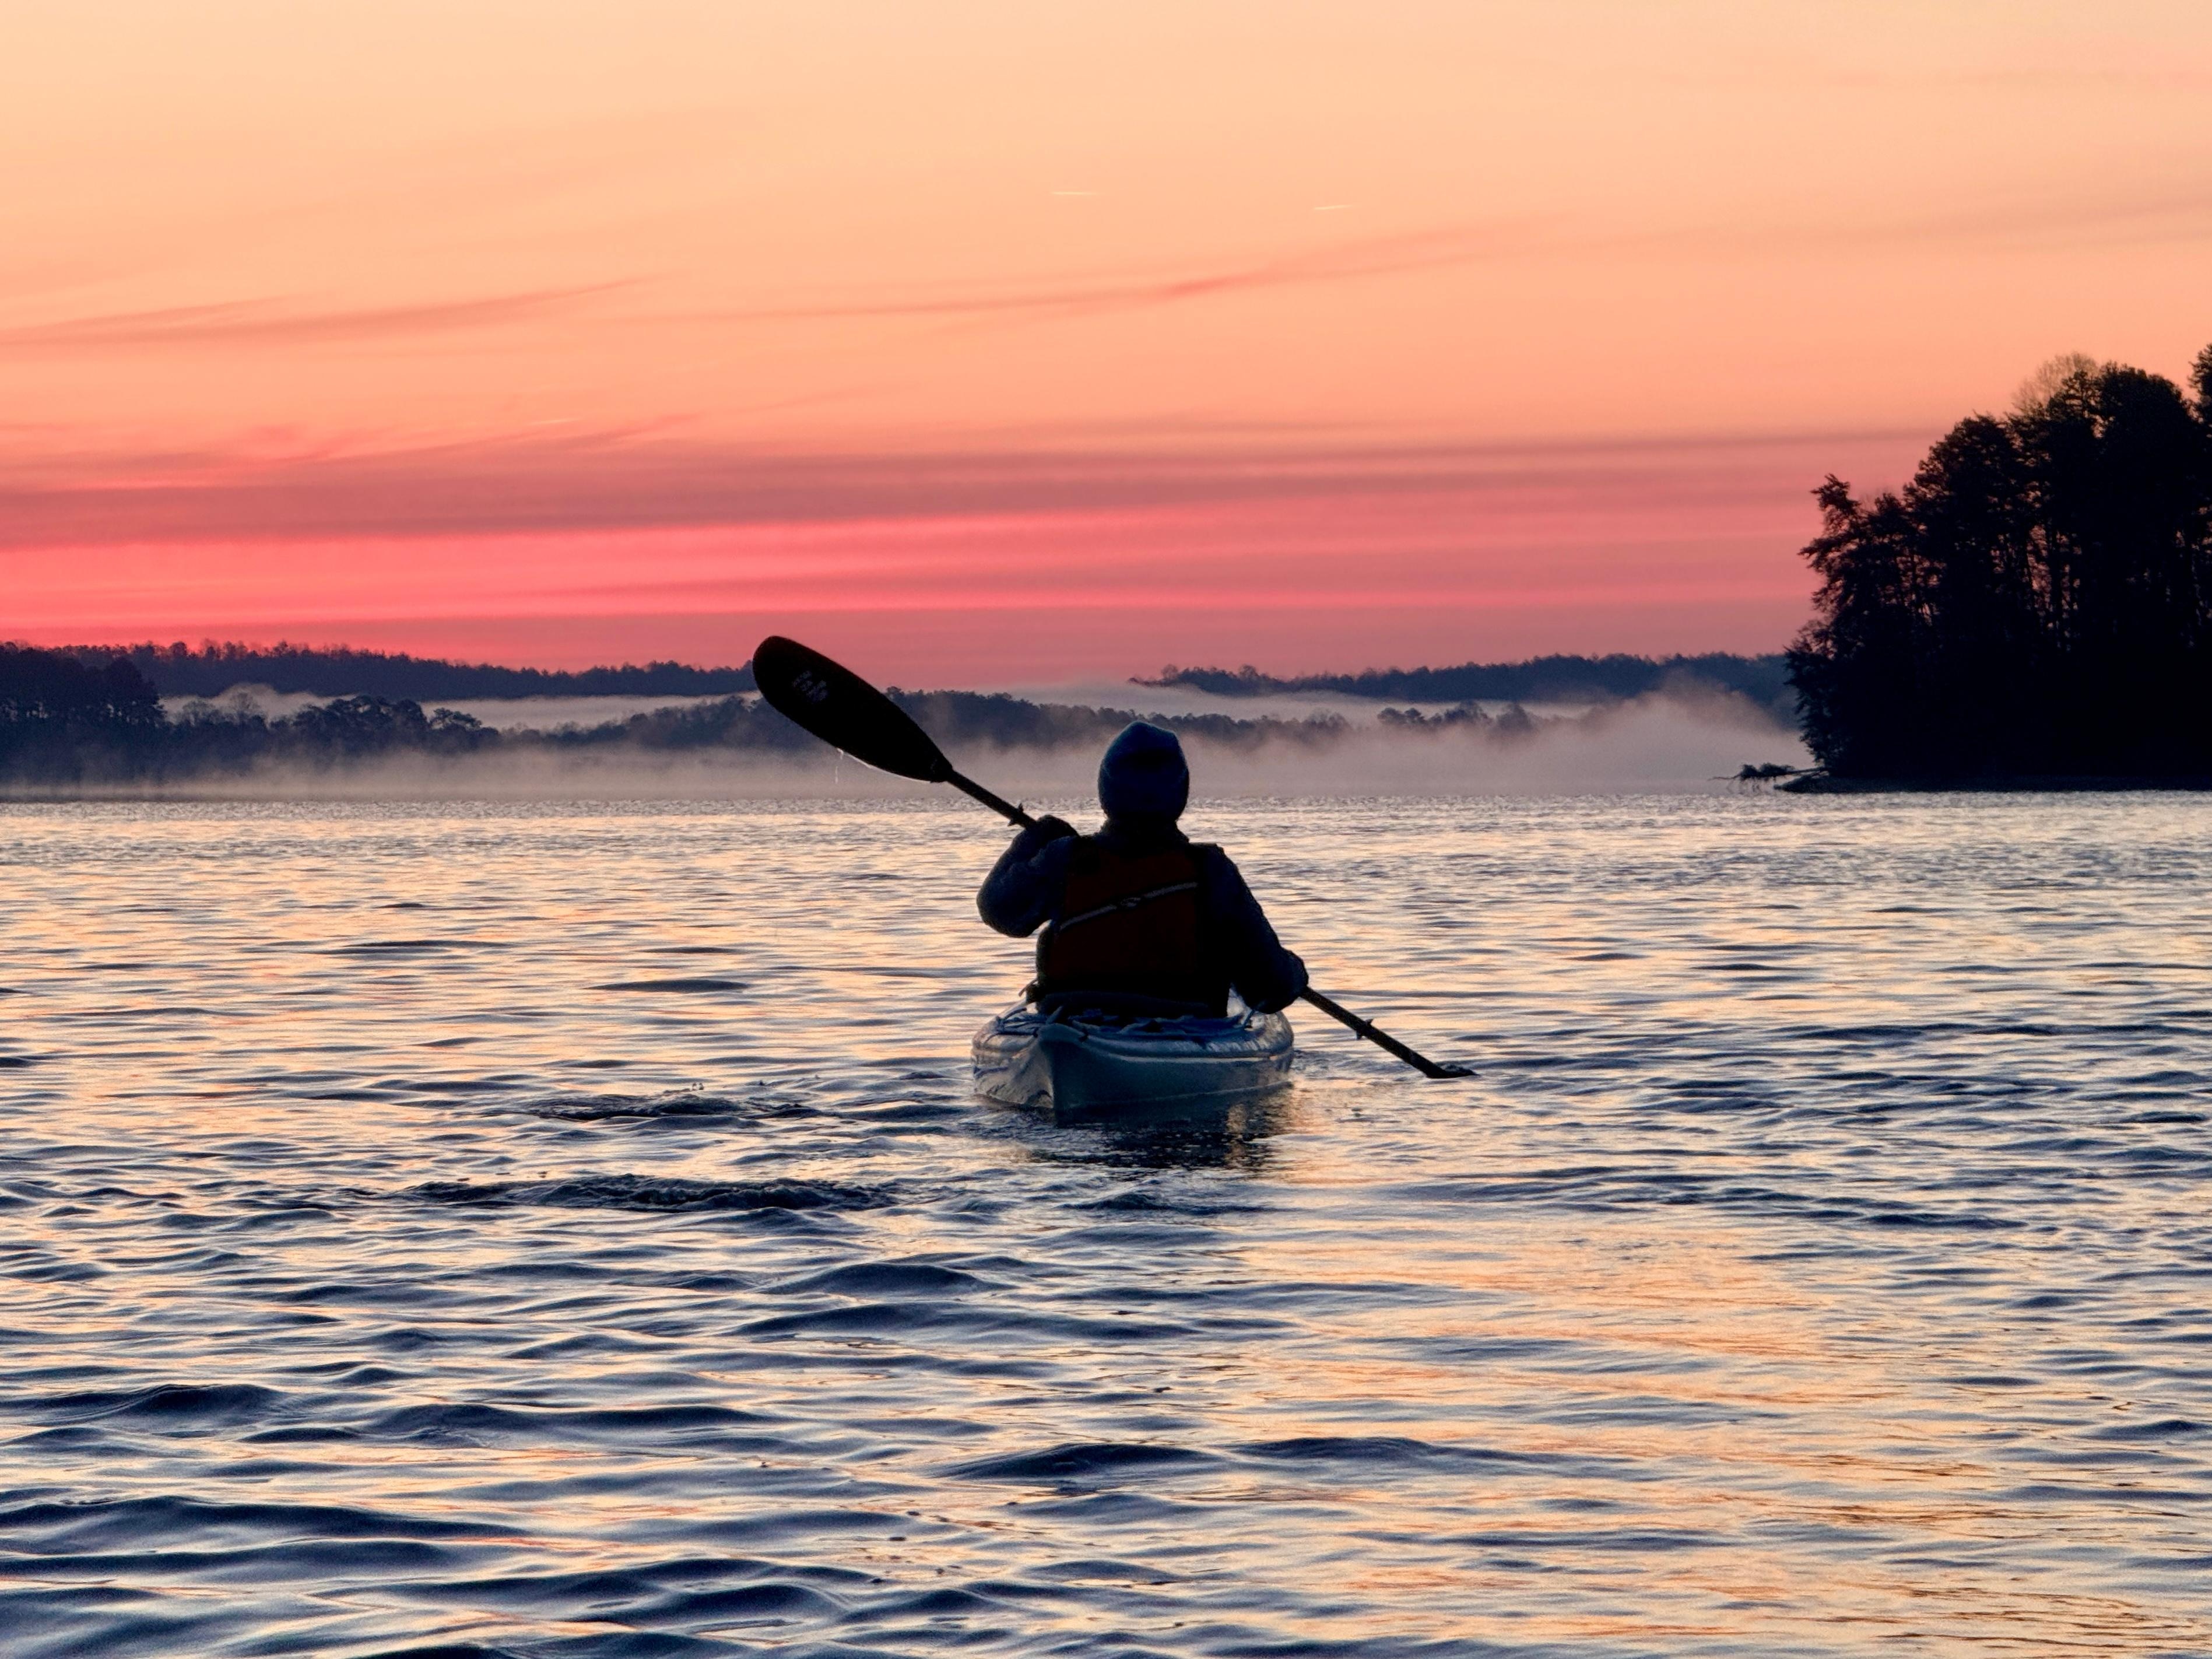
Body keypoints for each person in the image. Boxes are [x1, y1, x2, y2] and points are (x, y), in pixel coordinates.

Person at [977, 721, 1307, 1018]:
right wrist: (1295, 973)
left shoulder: (1064, 857)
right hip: (1183, 1017)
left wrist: (1035, 838)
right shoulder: (1210, 870)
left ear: (1106, 789)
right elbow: (1270, 989)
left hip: (1071, 1014)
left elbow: (999, 911)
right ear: (1180, 791)